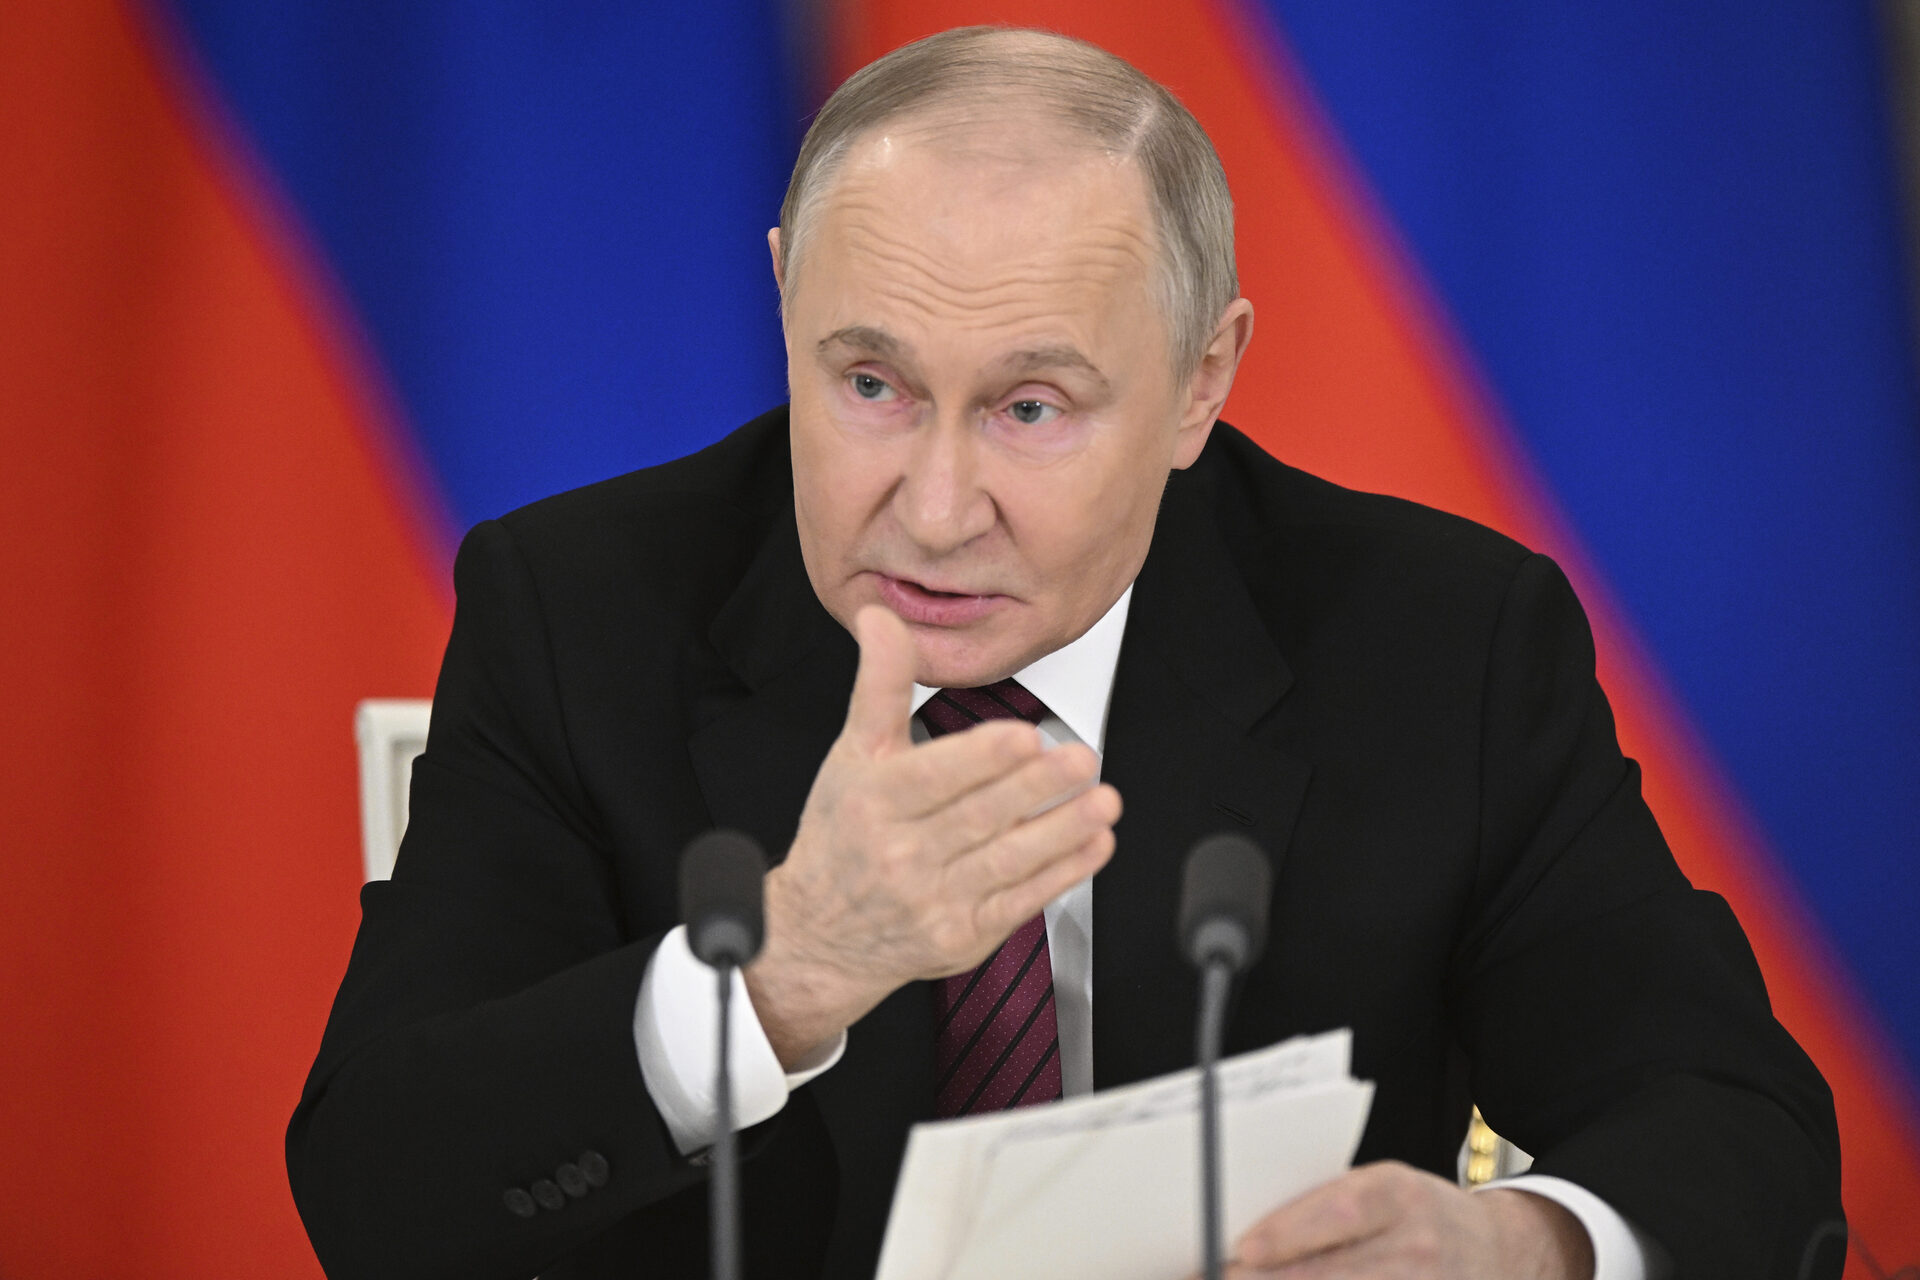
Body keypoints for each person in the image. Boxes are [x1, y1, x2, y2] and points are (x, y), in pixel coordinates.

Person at [288, 27, 1842, 1280]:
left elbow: (1738, 1130)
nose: (937, 506)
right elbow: (377, 1189)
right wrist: (774, 978)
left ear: (1199, 382)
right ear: (783, 296)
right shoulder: (582, 613)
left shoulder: (1441, 641)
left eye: (1032, 406)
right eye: (873, 383)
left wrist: (1522, 1248)